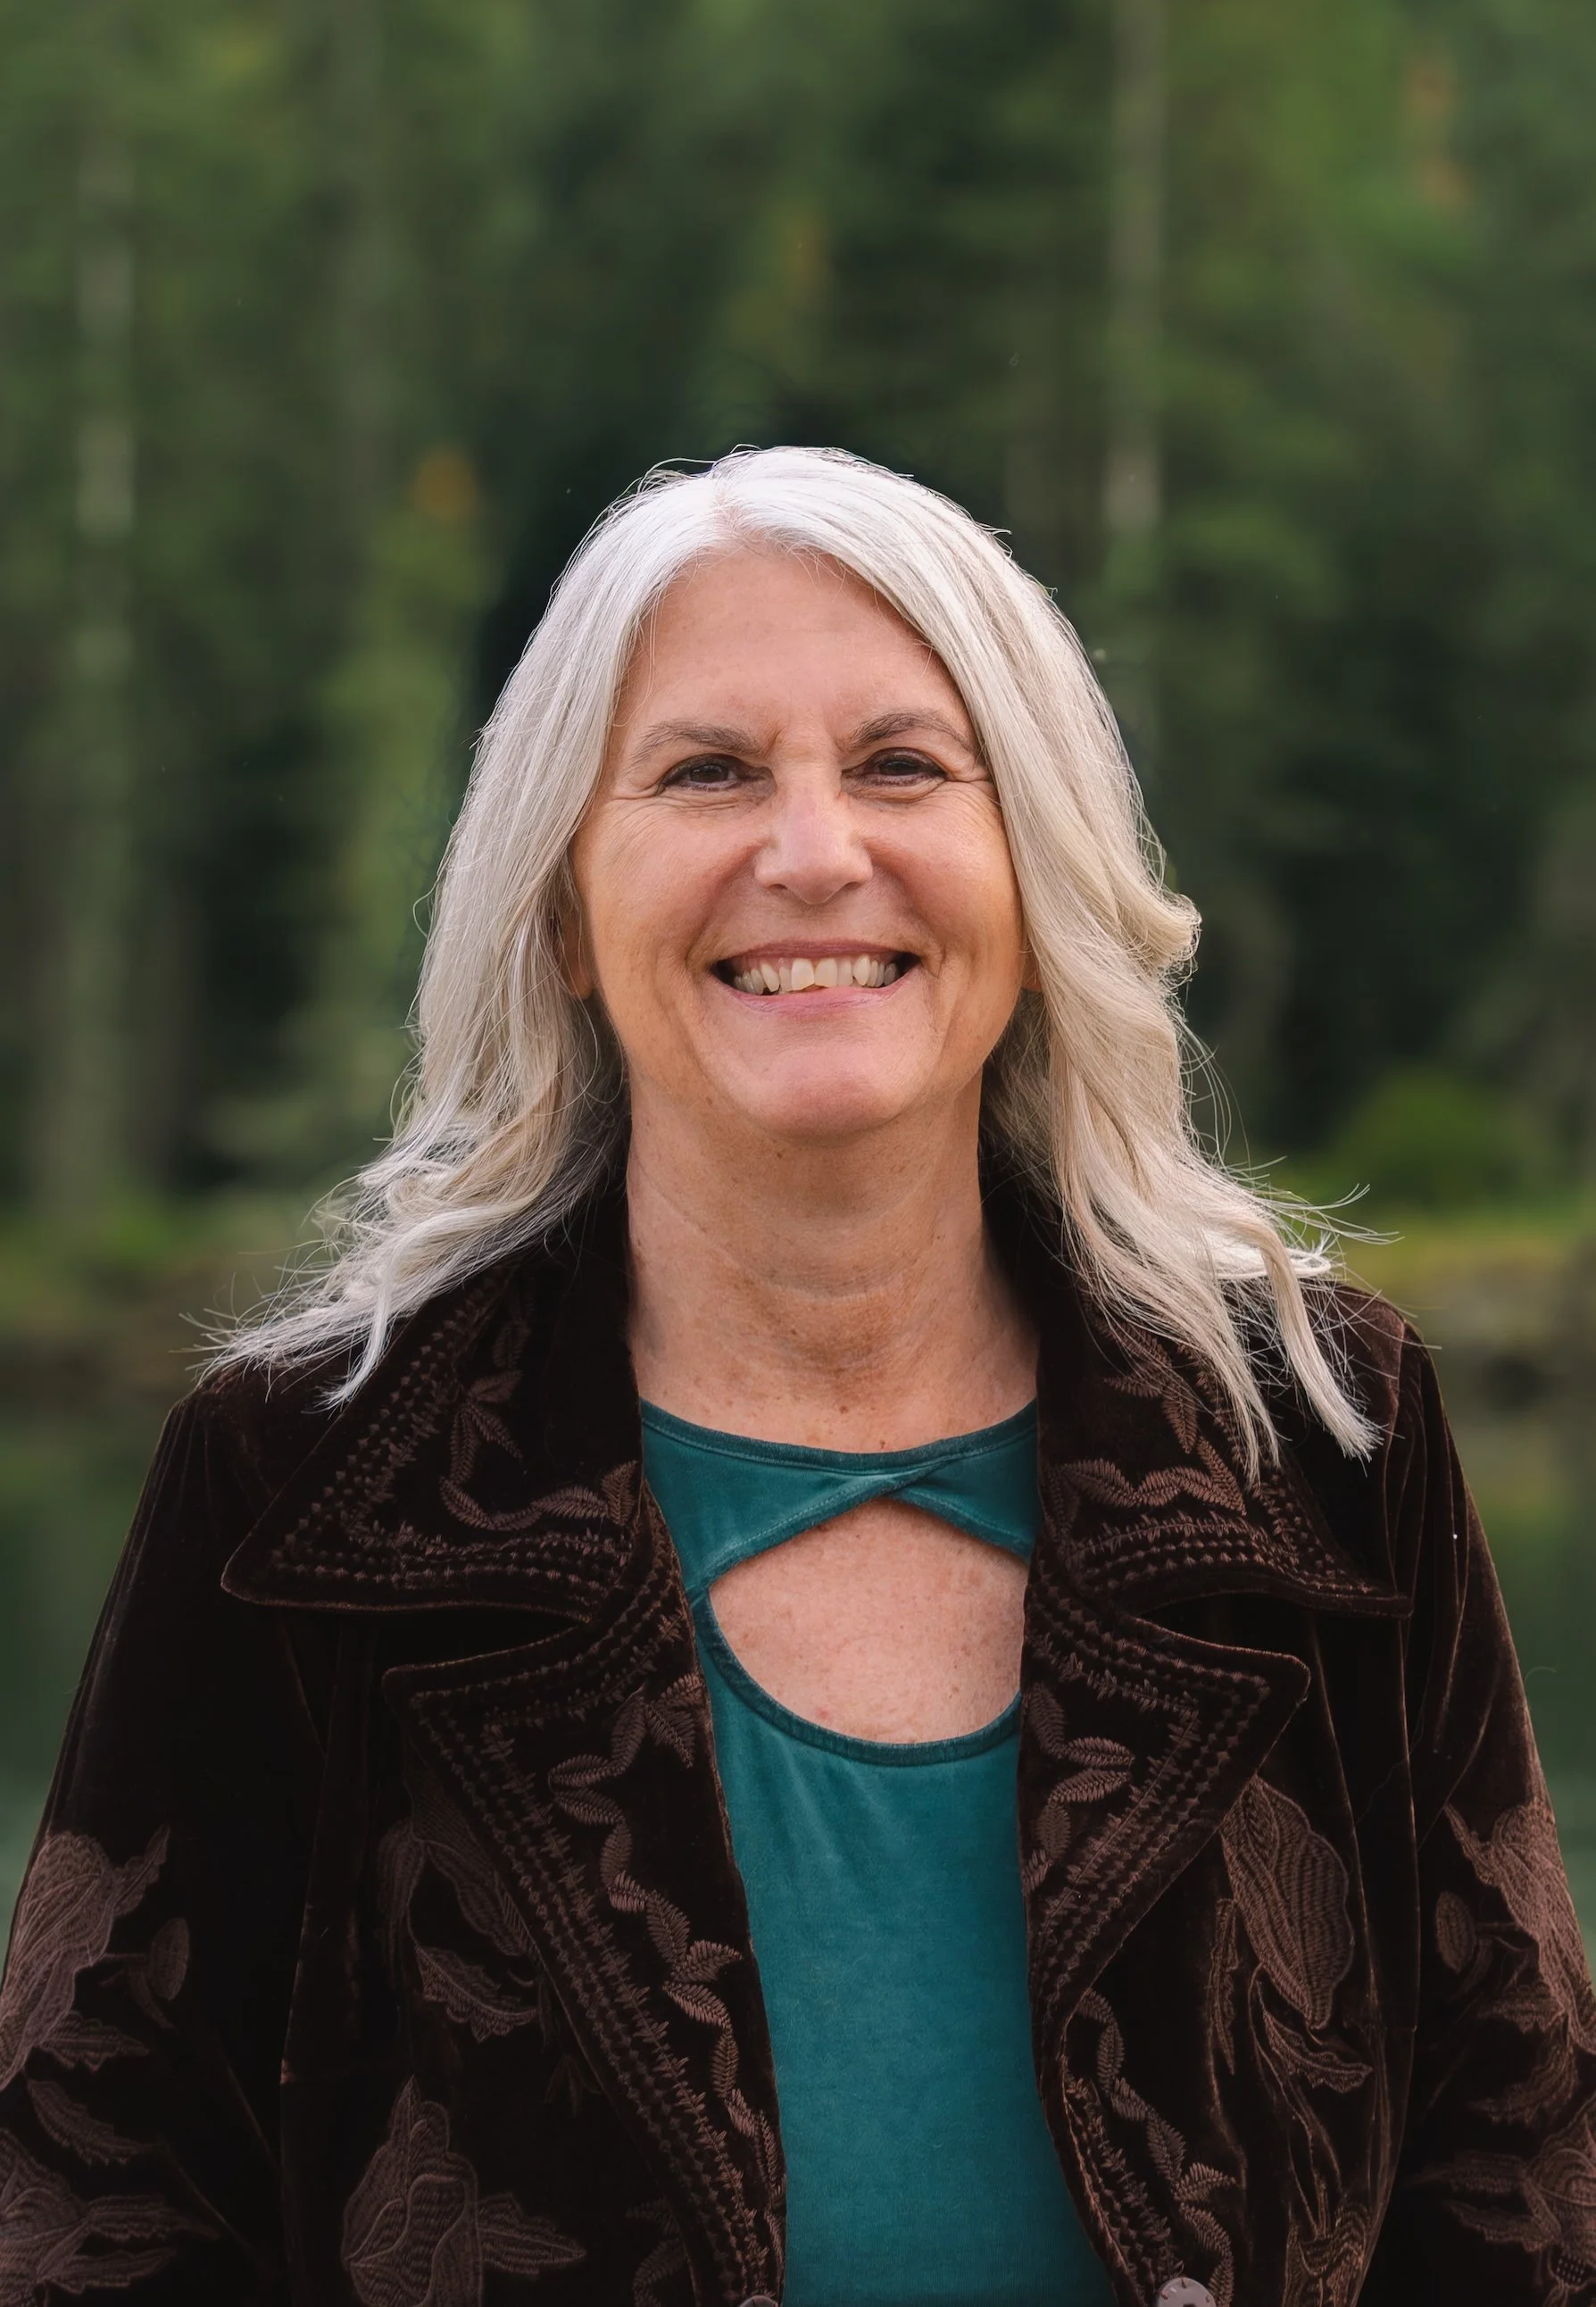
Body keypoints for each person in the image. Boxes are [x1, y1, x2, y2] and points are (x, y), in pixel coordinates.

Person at [1, 447, 1592, 2307]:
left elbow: (1523, 2185)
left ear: (1036, 868)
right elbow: (89, 2211)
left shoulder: (1319, 1438)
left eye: (905, 765)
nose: (817, 851)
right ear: (560, 906)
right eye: (708, 772)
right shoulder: (296, 1484)